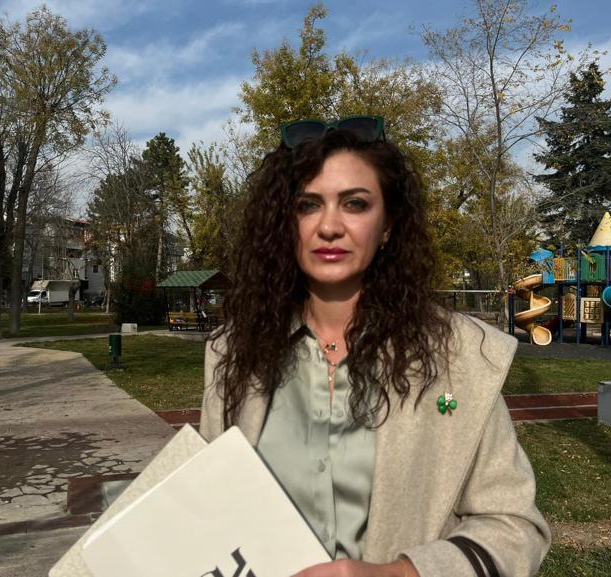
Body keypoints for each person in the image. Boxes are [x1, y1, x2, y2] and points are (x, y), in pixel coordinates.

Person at [200, 116, 551, 577]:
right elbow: (207, 512)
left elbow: (516, 526)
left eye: (355, 204)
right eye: (307, 205)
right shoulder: (232, 353)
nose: (329, 226)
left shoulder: (462, 355)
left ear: (387, 226)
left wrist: (401, 573)